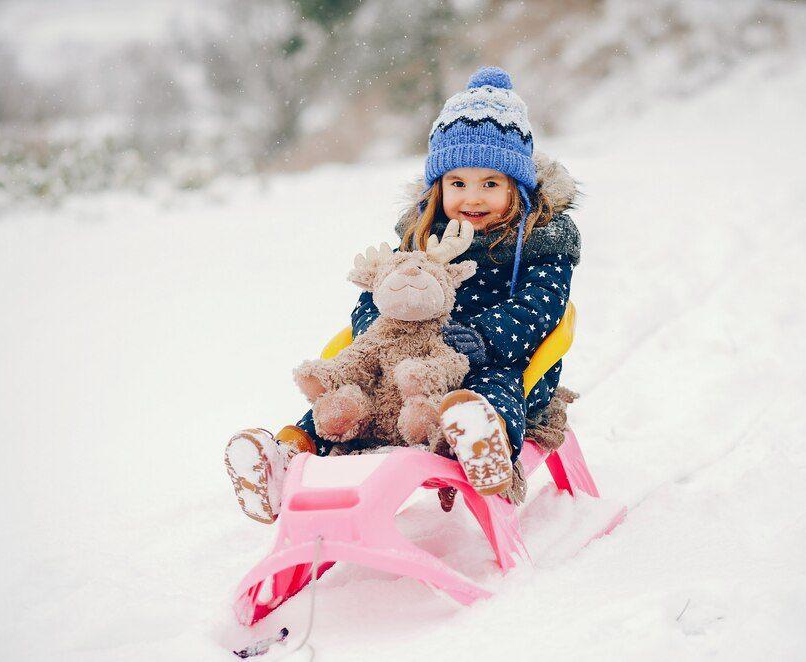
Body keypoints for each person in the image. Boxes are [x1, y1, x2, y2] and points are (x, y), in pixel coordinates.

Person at [225, 66, 582, 524]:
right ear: (439, 188)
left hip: (503, 360)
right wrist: (381, 336)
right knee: (350, 397)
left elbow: (542, 309)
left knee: (491, 392)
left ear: (518, 188)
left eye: (490, 183)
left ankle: (481, 446)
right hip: (408, 364)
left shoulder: (540, 247)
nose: (472, 198)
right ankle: (286, 456)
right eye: (458, 183)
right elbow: (380, 293)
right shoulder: (419, 240)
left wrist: (484, 339)